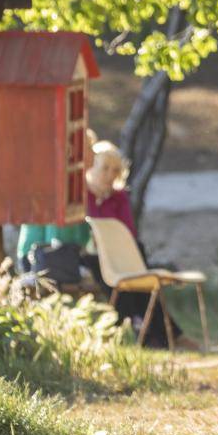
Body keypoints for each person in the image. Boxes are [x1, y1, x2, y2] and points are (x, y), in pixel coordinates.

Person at [85, 139, 198, 351]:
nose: (109, 175)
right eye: (105, 168)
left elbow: (128, 232)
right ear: (93, 167)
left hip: (124, 253)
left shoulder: (119, 197)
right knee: (124, 286)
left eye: (115, 170)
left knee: (143, 282)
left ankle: (160, 335)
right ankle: (157, 335)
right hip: (96, 257)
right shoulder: (83, 196)